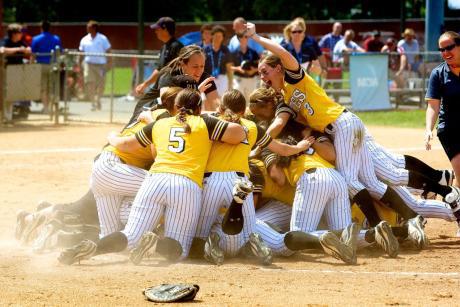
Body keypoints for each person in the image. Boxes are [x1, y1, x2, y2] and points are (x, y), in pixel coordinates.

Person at [244, 22, 427, 248]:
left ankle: (381, 224)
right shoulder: (286, 96)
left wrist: (256, 37)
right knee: (368, 181)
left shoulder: (294, 77)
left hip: (341, 124)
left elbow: (282, 52)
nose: (262, 76)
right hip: (343, 125)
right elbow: (283, 121)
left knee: (352, 180)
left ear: (279, 68)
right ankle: (410, 219)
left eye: (265, 71)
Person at [58, 88, 248, 265]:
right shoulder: (204, 123)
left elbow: (124, 145)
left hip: (154, 181)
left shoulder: (160, 124)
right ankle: (155, 245)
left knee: (131, 235)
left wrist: (112, 136)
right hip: (185, 185)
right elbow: (238, 134)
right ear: (198, 108)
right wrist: (213, 117)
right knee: (179, 250)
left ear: (175, 107)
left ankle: (96, 248)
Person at [194, 89, 314, 265]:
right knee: (249, 231)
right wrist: (300, 146)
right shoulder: (252, 127)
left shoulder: (211, 122)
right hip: (241, 181)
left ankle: (209, 243)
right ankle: (254, 244)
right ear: (244, 111)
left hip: (212, 181)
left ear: (221, 108)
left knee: (200, 232)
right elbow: (282, 149)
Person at [133, 45, 219, 116]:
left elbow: (216, 105)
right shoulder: (169, 74)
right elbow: (167, 104)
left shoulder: (204, 77)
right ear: (183, 64)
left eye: (202, 66)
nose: (199, 71)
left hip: (172, 115)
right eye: (195, 66)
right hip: (147, 110)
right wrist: (196, 93)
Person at [426, 31, 460, 191]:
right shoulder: (438, 74)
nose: (446, 52)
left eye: (450, 47)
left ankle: (454, 203)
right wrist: (428, 129)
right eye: (442, 50)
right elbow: (433, 105)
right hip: (450, 130)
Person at [135, 17, 183, 96]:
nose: (155, 31)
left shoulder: (176, 47)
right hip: (165, 88)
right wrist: (145, 84)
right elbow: (159, 70)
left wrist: (145, 84)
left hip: (174, 90)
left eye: (158, 29)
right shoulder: (164, 47)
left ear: (165, 30)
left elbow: (176, 71)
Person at [0, 23, 32, 124]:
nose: (21, 34)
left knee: (12, 95)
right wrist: (18, 49)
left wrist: (25, 50)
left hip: (17, 72)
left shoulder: (20, 42)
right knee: (5, 94)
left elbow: (29, 50)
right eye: (19, 32)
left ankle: (8, 117)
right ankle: (5, 116)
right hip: (6, 71)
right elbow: (2, 50)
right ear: (13, 33)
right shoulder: (5, 41)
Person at [79, 20, 112, 111]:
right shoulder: (84, 39)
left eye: (89, 27)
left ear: (94, 28)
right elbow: (81, 53)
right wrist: (79, 64)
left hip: (101, 65)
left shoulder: (102, 38)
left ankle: (98, 99)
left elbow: (108, 51)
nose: (87, 28)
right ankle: (93, 103)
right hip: (88, 64)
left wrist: (109, 63)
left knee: (101, 85)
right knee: (90, 84)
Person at [31, 20, 63, 114]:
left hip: (41, 65)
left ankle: (46, 107)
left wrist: (31, 65)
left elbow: (33, 54)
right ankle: (50, 106)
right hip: (53, 65)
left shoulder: (36, 39)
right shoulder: (56, 39)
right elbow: (59, 52)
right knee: (52, 87)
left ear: (41, 28)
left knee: (43, 87)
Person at [203, 25, 234, 96]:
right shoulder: (205, 49)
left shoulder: (225, 50)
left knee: (221, 100)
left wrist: (230, 84)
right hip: (208, 78)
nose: (218, 38)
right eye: (216, 36)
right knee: (208, 100)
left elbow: (229, 68)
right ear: (212, 36)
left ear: (223, 37)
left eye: (220, 36)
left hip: (222, 78)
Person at [230, 33, 260, 103]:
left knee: (250, 100)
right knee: (238, 99)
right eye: (241, 37)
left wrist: (253, 70)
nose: (244, 39)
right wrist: (238, 69)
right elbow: (230, 67)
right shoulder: (234, 52)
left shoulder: (253, 52)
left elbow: (260, 65)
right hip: (239, 79)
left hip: (251, 79)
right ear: (238, 39)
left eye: (246, 37)